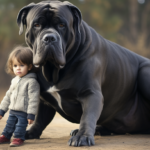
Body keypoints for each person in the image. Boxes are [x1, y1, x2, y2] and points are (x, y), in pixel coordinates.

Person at [0, 46, 40, 147]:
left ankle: (18, 138)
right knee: (9, 125)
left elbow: (33, 99)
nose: (18, 68)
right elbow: (8, 96)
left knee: (20, 126)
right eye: (15, 65)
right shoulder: (14, 80)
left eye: (22, 65)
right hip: (12, 110)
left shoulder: (32, 82)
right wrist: (2, 110)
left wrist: (31, 114)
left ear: (30, 66)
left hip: (23, 112)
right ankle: (6, 136)